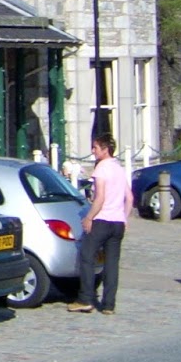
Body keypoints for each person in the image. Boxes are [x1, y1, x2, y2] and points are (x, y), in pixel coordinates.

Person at [70, 132, 132, 314]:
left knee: (87, 256)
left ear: (105, 150)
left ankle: (85, 298)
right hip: (117, 222)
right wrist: (125, 218)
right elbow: (130, 198)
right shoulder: (119, 169)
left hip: (102, 220)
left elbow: (100, 198)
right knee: (112, 263)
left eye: (96, 147)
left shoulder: (102, 168)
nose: (93, 151)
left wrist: (89, 217)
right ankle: (109, 304)